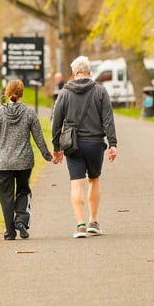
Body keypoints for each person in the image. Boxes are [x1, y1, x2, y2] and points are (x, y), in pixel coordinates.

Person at [52, 55, 117, 238]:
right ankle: (93, 222)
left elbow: (56, 121)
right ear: (89, 72)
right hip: (95, 143)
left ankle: (80, 225)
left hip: (73, 145)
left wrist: (56, 147)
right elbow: (108, 119)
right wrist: (112, 143)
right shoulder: (100, 91)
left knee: (76, 184)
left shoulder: (64, 92)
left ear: (73, 73)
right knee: (94, 180)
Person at [0, 79, 56, 240]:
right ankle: (21, 220)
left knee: (6, 196)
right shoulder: (29, 113)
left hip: (3, 163)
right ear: (22, 93)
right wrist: (48, 155)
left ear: (7, 93)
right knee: (23, 190)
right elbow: (39, 137)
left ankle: (10, 232)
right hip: (24, 161)